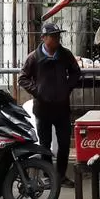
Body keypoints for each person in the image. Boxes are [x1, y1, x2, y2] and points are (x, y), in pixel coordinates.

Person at [19, 21, 83, 187]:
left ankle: (60, 176)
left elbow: (76, 73)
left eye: (58, 36)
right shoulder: (34, 57)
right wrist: (38, 91)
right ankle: (48, 176)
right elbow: (22, 78)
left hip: (62, 107)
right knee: (45, 144)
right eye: (53, 36)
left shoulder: (65, 54)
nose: (56, 39)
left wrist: (66, 88)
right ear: (43, 38)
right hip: (43, 108)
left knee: (63, 143)